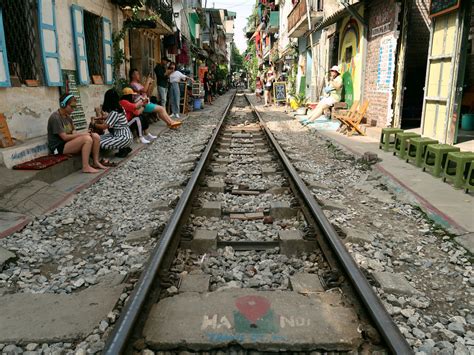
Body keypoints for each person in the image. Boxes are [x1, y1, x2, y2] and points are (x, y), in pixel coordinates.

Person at [47, 93, 106, 173]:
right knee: (87, 139)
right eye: (72, 106)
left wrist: (86, 132)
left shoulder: (68, 117)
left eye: (75, 107)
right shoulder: (55, 117)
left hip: (68, 143)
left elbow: (74, 132)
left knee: (95, 136)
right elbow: (64, 137)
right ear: (63, 104)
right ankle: (85, 167)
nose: (73, 109)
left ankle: (95, 162)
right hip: (58, 147)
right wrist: (83, 134)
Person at [92, 89, 133, 159]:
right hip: (127, 136)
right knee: (99, 138)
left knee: (97, 142)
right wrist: (99, 118)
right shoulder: (120, 108)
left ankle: (123, 148)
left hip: (122, 138)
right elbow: (109, 117)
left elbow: (103, 127)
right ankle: (124, 148)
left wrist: (93, 124)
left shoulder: (114, 112)